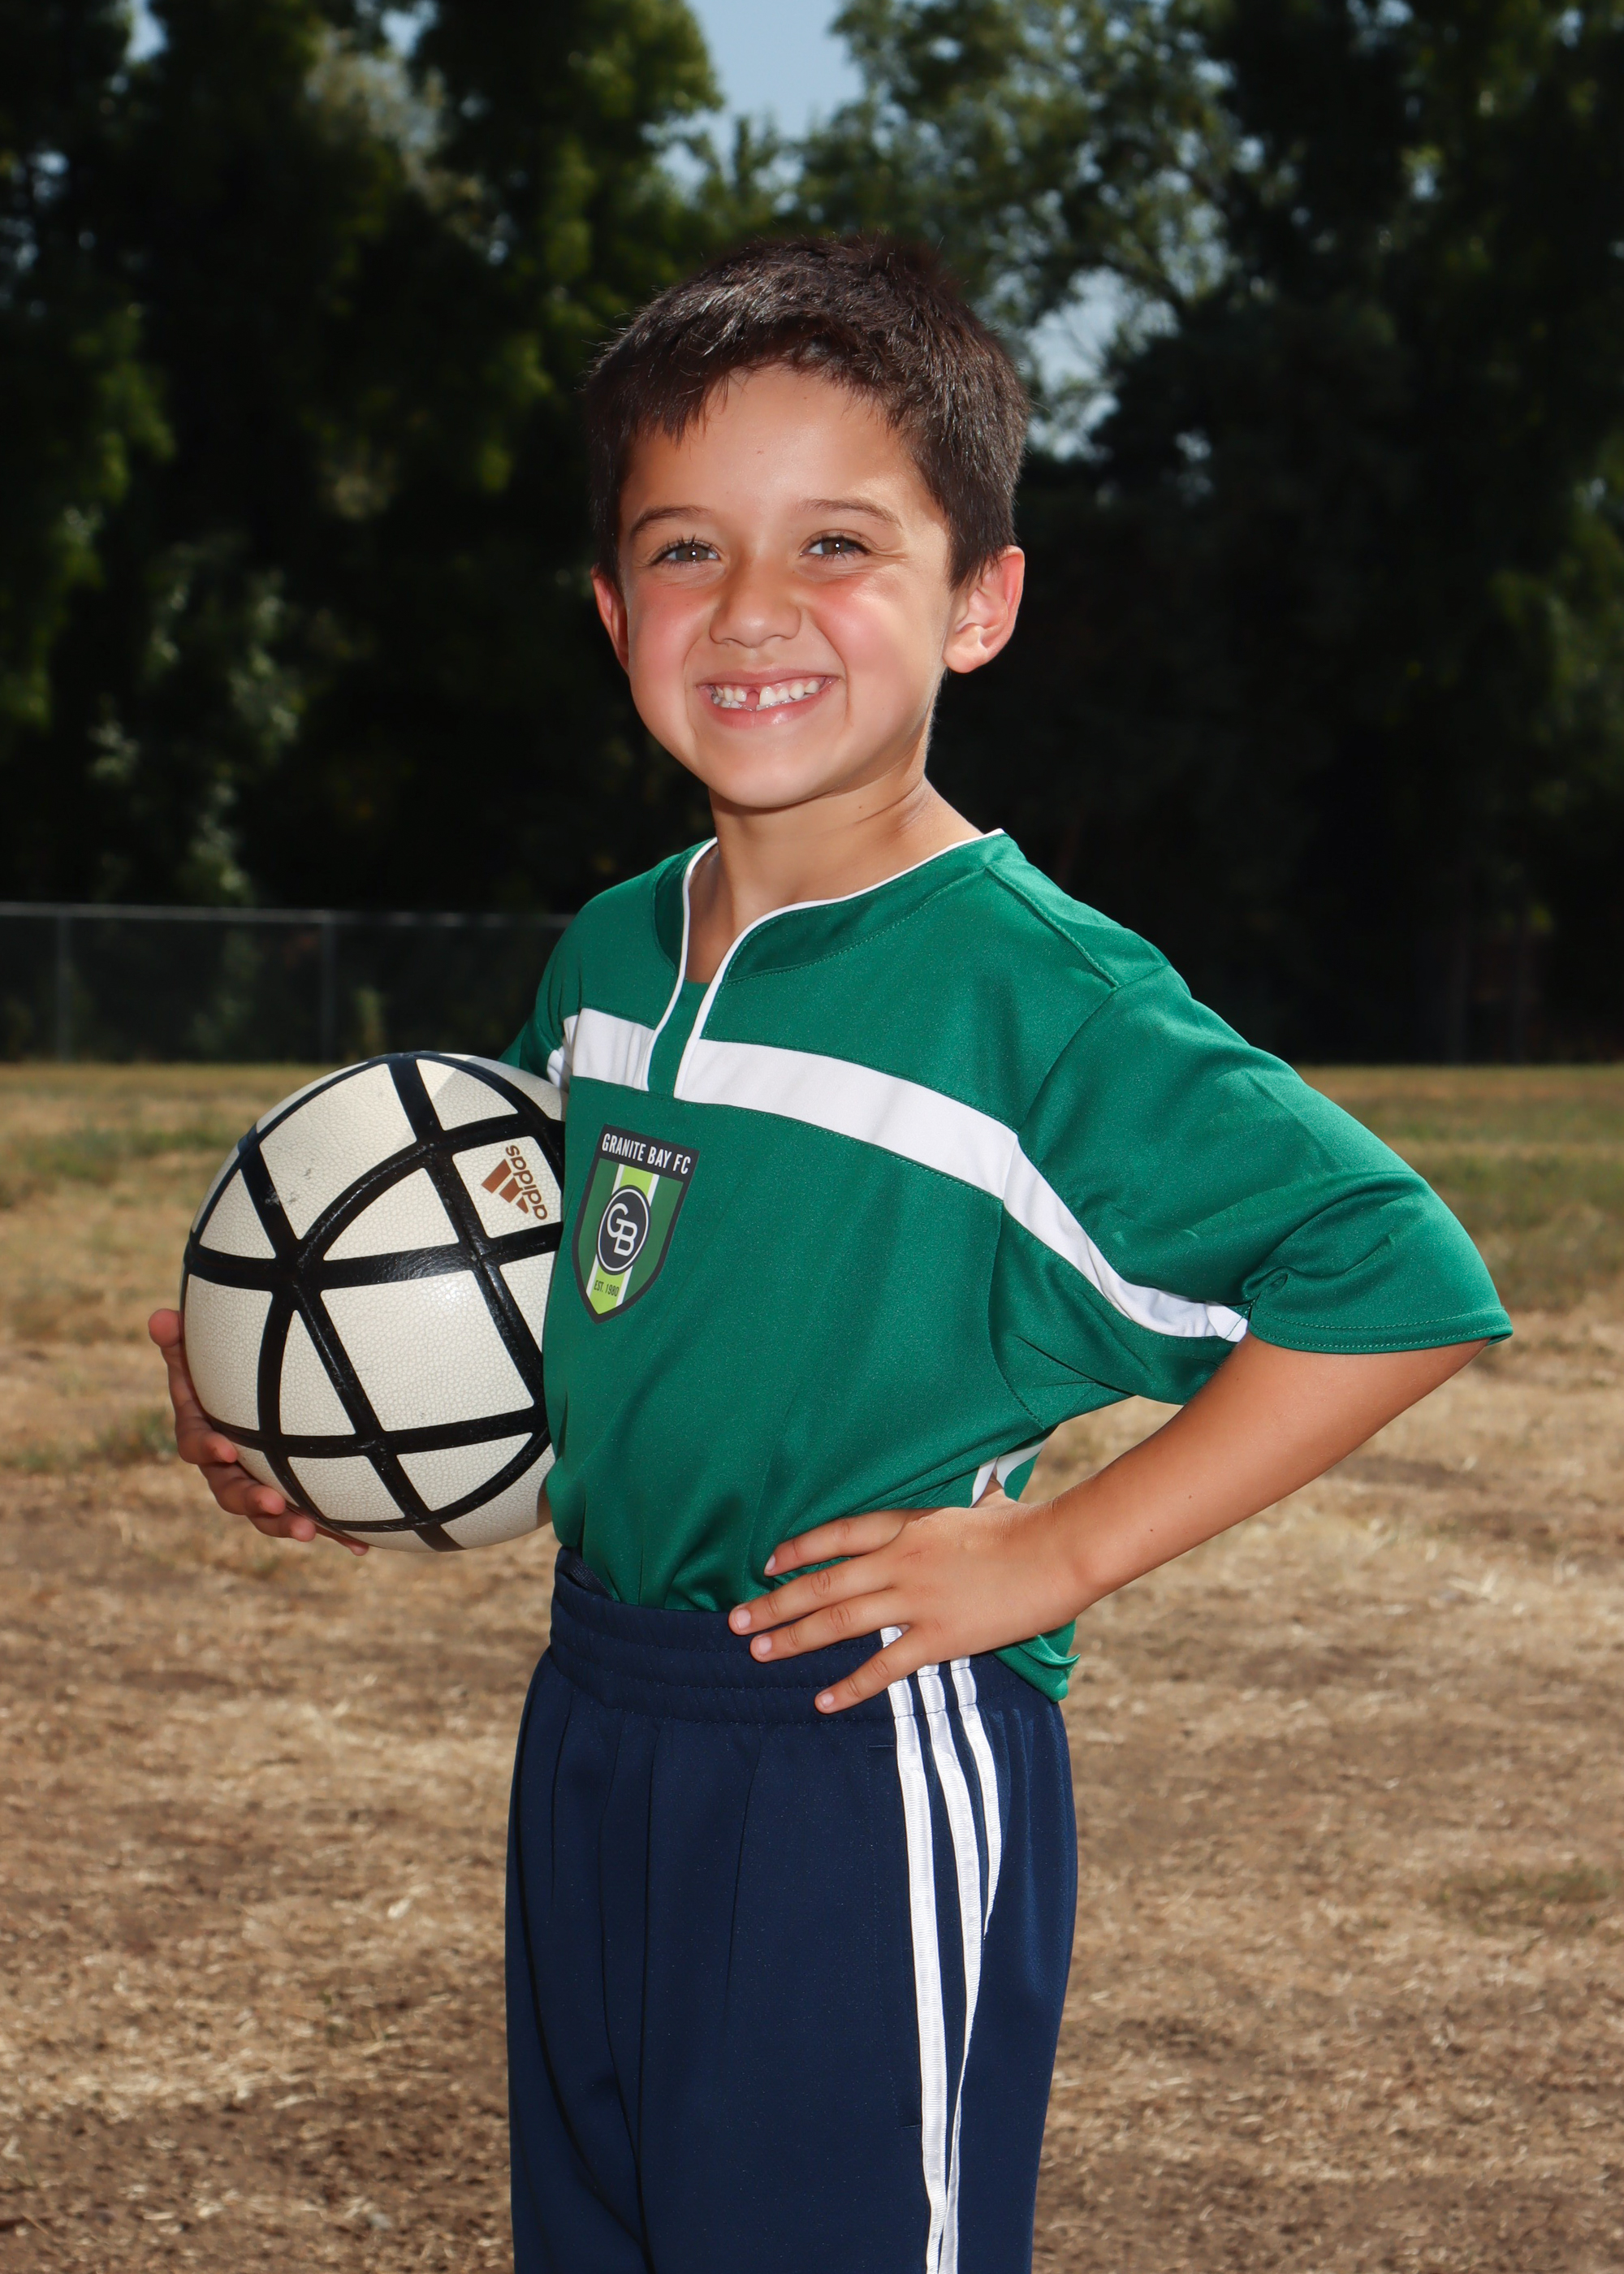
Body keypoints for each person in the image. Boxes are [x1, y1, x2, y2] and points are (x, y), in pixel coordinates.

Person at [151, 236, 1511, 2274]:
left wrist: (1056, 1553)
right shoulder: (612, 952)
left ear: (981, 600)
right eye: (686, 549)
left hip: (860, 1742)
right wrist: (309, 1417)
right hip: (598, 1708)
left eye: (838, 545)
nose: (754, 609)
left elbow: (1395, 1273)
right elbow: (536, 1294)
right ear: (613, 610)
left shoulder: (1035, 996)